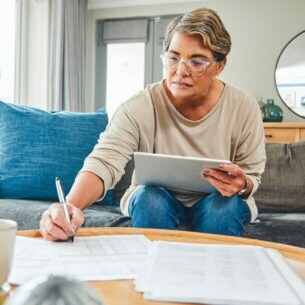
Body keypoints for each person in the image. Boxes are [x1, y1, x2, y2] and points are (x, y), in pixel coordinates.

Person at [39, 7, 266, 241]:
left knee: (223, 207)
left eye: (197, 62)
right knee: (150, 199)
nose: (180, 71)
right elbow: (105, 162)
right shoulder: (139, 105)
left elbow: (251, 175)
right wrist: (70, 207)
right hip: (155, 198)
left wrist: (242, 184)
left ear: (220, 65)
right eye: (173, 58)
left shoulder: (243, 106)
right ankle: (156, 273)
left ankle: (212, 274)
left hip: (218, 201)